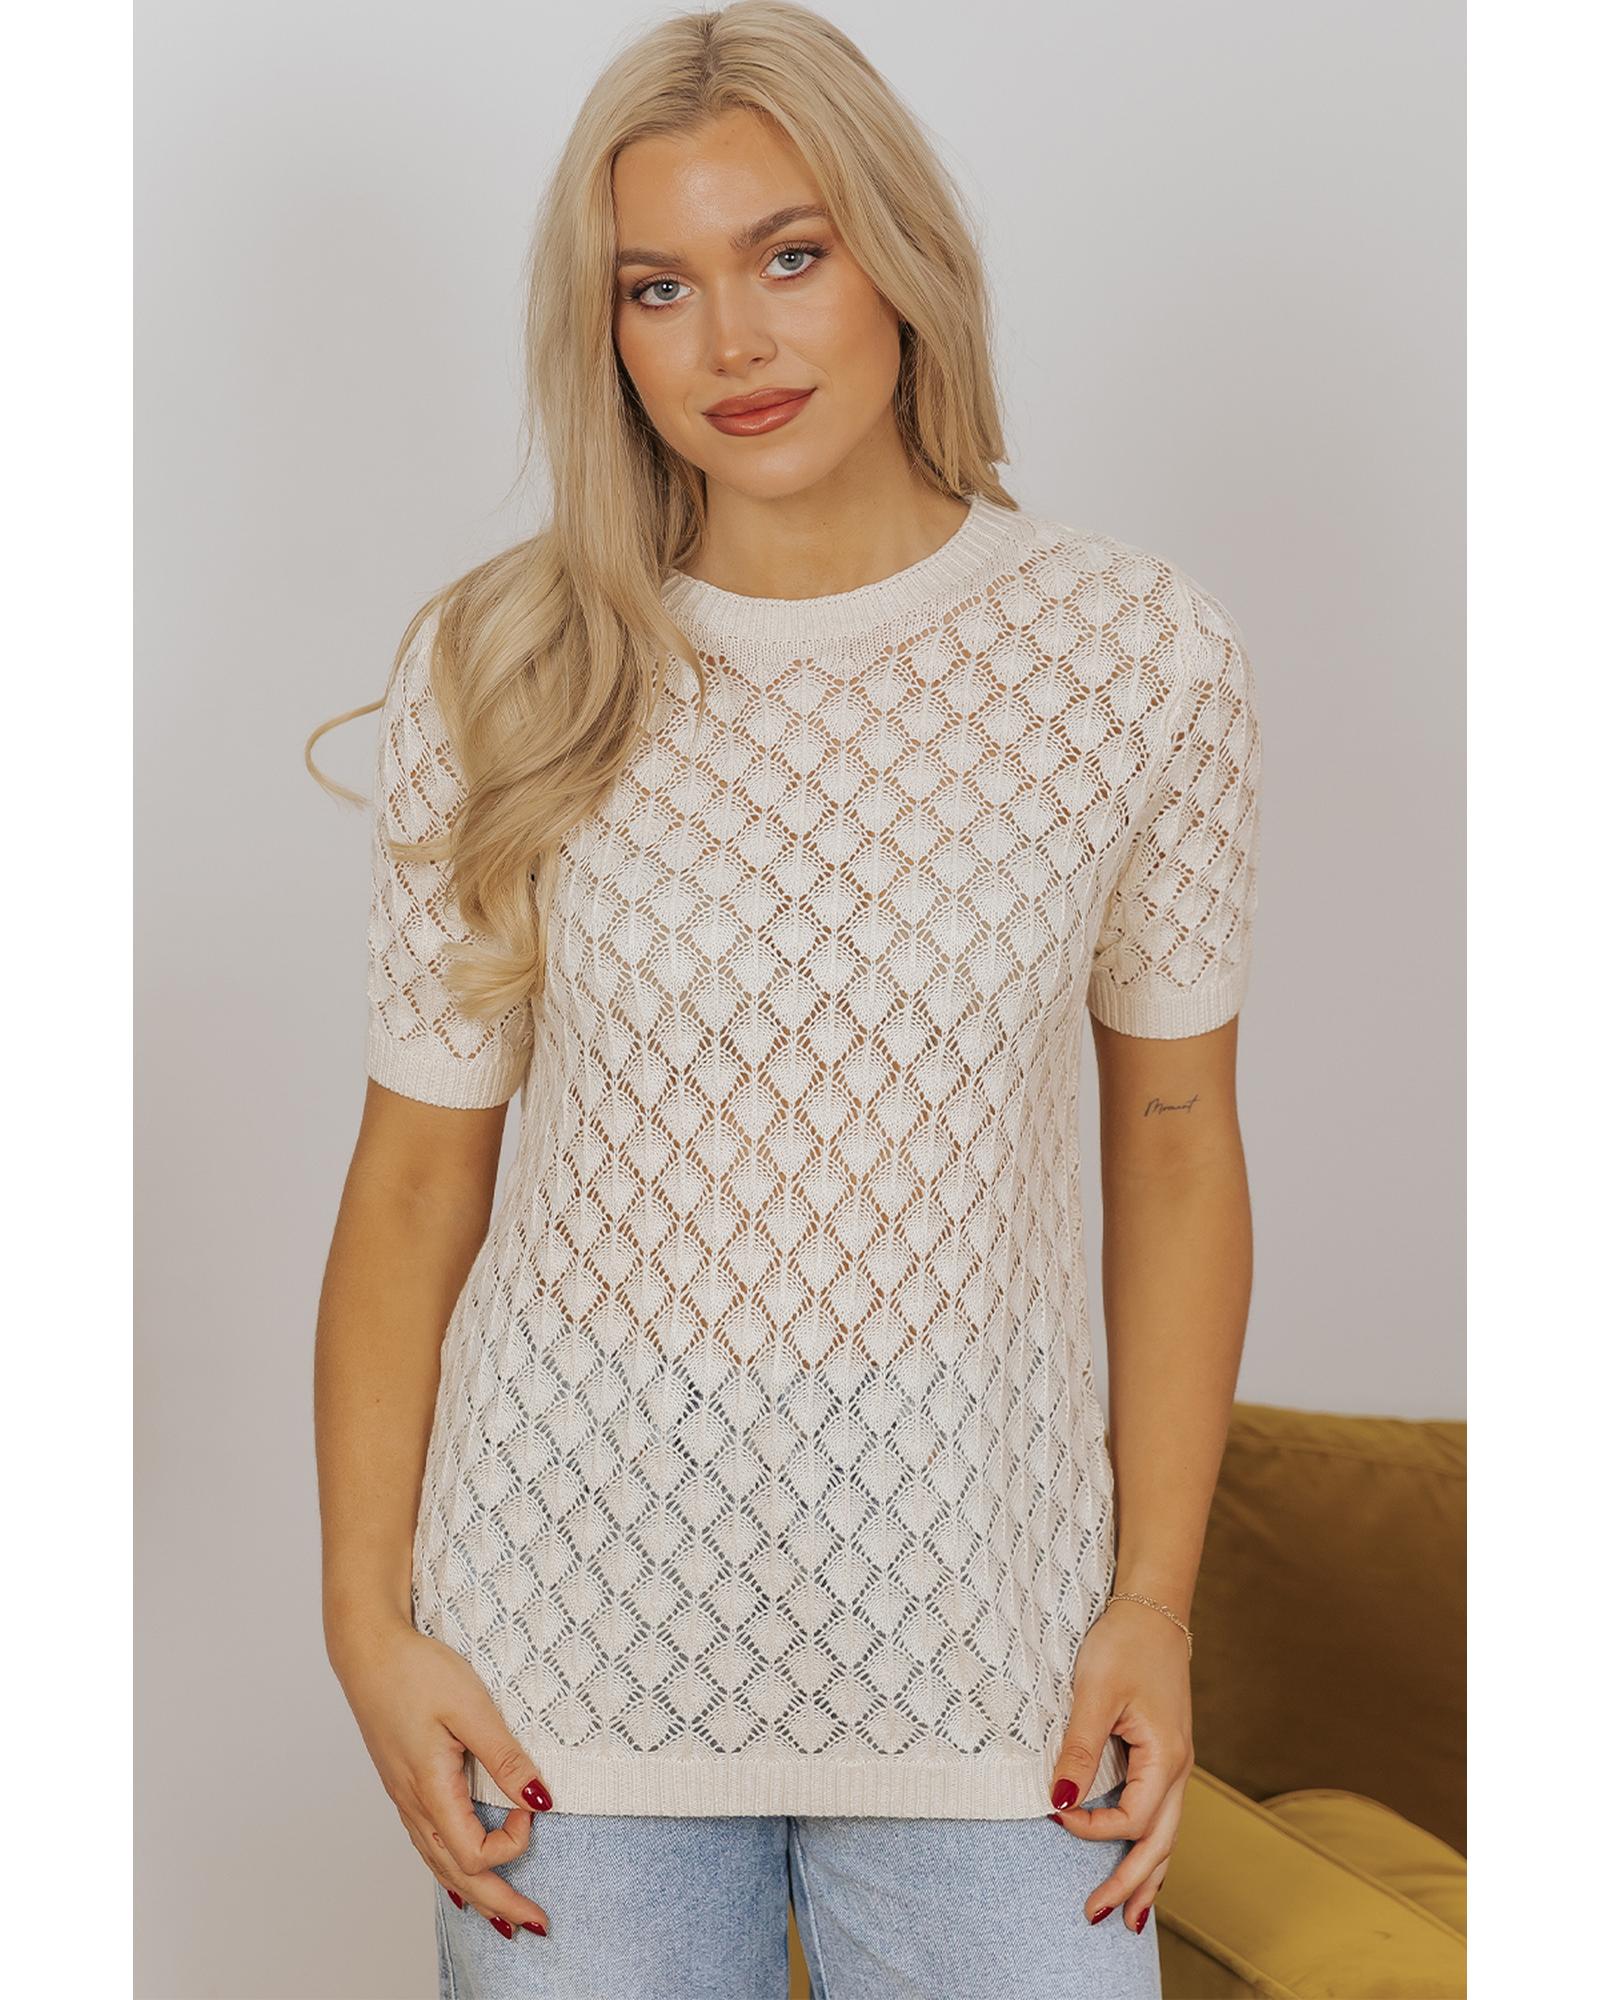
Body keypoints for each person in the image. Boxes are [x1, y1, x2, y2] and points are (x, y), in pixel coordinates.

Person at [309, 5, 1261, 1995]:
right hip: (559, 1661)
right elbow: (410, 1181)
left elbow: (1174, 1147)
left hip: (993, 1651)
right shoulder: (506, 661)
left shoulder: (1135, 656)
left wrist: (1150, 1602)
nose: (730, 341)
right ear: (605, 334)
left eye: (790, 255)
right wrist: (367, 1623)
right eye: (655, 287)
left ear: (901, 258)